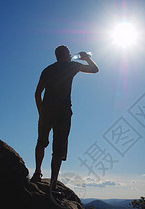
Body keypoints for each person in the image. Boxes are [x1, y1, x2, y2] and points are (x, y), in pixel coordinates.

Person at [31, 45, 99, 191]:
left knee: (41, 142)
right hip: (63, 111)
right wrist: (87, 58)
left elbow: (37, 93)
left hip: (47, 110)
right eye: (69, 53)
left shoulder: (47, 70)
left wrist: (41, 112)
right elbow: (94, 69)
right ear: (66, 54)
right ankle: (53, 184)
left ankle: (37, 172)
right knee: (58, 149)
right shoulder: (71, 66)